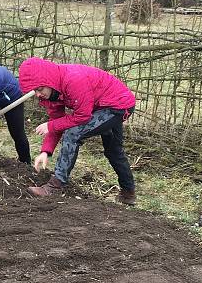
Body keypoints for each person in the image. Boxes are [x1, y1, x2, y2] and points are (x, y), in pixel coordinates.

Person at [17, 57, 137, 204]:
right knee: (113, 150)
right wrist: (46, 151)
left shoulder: (73, 80)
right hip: (102, 105)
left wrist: (50, 126)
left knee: (73, 133)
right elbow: (57, 121)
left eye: (40, 89)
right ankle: (128, 193)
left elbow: (82, 116)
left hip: (118, 105)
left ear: (48, 81)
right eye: (34, 91)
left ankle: (55, 186)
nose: (37, 94)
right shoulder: (52, 93)